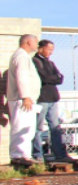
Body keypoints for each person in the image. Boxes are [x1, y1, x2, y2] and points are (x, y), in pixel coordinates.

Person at [5, 34, 41, 167]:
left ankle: (24, 154)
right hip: (22, 99)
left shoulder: (23, 56)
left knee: (28, 128)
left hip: (24, 99)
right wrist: (25, 96)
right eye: (35, 43)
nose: (37, 45)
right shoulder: (21, 57)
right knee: (21, 127)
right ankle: (17, 155)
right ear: (27, 42)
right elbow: (22, 76)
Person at [31, 39, 68, 164]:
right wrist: (53, 78)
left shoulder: (50, 63)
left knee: (55, 127)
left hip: (53, 98)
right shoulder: (35, 61)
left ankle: (60, 154)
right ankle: (38, 155)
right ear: (41, 48)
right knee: (38, 127)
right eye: (49, 49)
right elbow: (44, 77)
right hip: (42, 98)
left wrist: (53, 78)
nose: (51, 52)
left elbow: (60, 78)